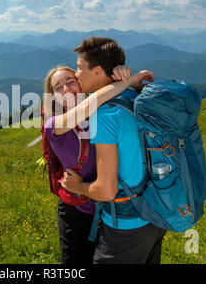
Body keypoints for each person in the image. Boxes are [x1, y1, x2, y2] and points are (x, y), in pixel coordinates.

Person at [61, 37, 166, 264]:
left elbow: (106, 190)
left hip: (127, 225)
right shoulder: (137, 93)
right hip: (156, 213)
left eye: (80, 68)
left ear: (98, 71)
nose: (77, 74)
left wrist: (76, 186)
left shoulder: (105, 114)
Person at [43, 64, 153, 264]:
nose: (66, 89)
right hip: (77, 214)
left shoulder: (102, 113)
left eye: (71, 82)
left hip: (109, 213)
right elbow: (91, 102)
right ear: (53, 97)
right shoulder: (54, 125)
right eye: (58, 88)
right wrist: (127, 80)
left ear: (81, 83)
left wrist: (118, 73)